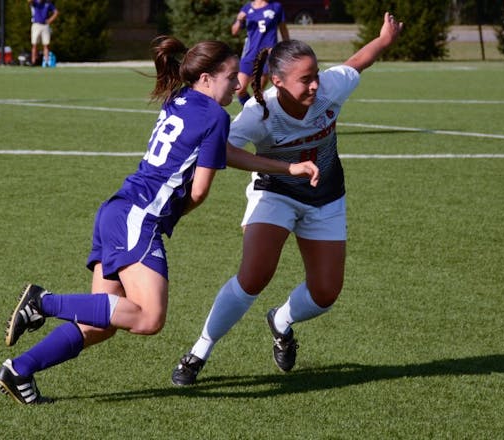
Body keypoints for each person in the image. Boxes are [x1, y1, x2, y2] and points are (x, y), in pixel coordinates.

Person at [0, 36, 318, 405]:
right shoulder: (215, 115)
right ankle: (43, 302)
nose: (239, 83)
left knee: (101, 323)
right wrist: (161, 222)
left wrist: (287, 167)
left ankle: (19, 370)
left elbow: (222, 152)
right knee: (148, 318)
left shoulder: (180, 98)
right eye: (230, 76)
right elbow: (198, 192)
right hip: (139, 219)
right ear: (208, 78)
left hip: (117, 210)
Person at [171, 12, 404, 385]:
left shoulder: (330, 87)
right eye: (305, 79)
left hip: (325, 198)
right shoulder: (259, 113)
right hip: (275, 194)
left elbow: (358, 61)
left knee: (326, 292)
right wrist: (283, 169)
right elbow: (222, 150)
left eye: (316, 75)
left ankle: (281, 320)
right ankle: (199, 351)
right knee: (254, 275)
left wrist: (385, 39)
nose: (315, 85)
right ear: (277, 82)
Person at [231, 0, 290, 104]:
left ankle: (258, 115)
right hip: (249, 54)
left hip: (267, 55)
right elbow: (234, 31)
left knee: (257, 92)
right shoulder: (247, 8)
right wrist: (239, 20)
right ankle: (251, 110)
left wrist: (288, 49)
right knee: (240, 90)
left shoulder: (276, 7)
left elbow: (283, 29)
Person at [28, 0, 58, 66]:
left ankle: (46, 62)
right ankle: (33, 61)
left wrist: (50, 20)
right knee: (34, 44)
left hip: (45, 25)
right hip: (36, 25)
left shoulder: (48, 3)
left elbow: (56, 12)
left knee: (46, 45)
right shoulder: (35, 2)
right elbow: (29, 1)